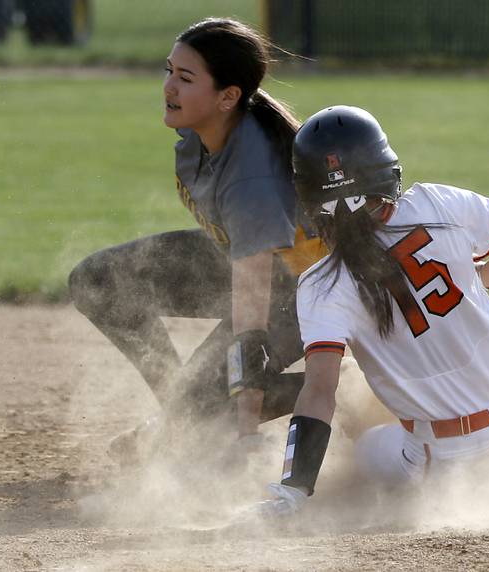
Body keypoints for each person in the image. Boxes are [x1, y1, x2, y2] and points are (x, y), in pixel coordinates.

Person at [258, 105, 489, 515]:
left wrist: (294, 489)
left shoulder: (320, 286)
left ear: (308, 198)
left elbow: (319, 393)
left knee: (362, 445)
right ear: (385, 169)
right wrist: (478, 278)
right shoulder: (439, 203)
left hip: (445, 458)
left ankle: (454, 479)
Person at [68, 18, 325, 462]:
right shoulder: (200, 129)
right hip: (241, 261)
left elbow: (252, 321)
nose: (169, 86)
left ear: (228, 97)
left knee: (205, 407)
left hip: (302, 294)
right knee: (99, 281)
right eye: (169, 71)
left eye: (186, 78)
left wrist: (244, 430)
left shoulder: (252, 178)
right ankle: (180, 416)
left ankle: (342, 386)